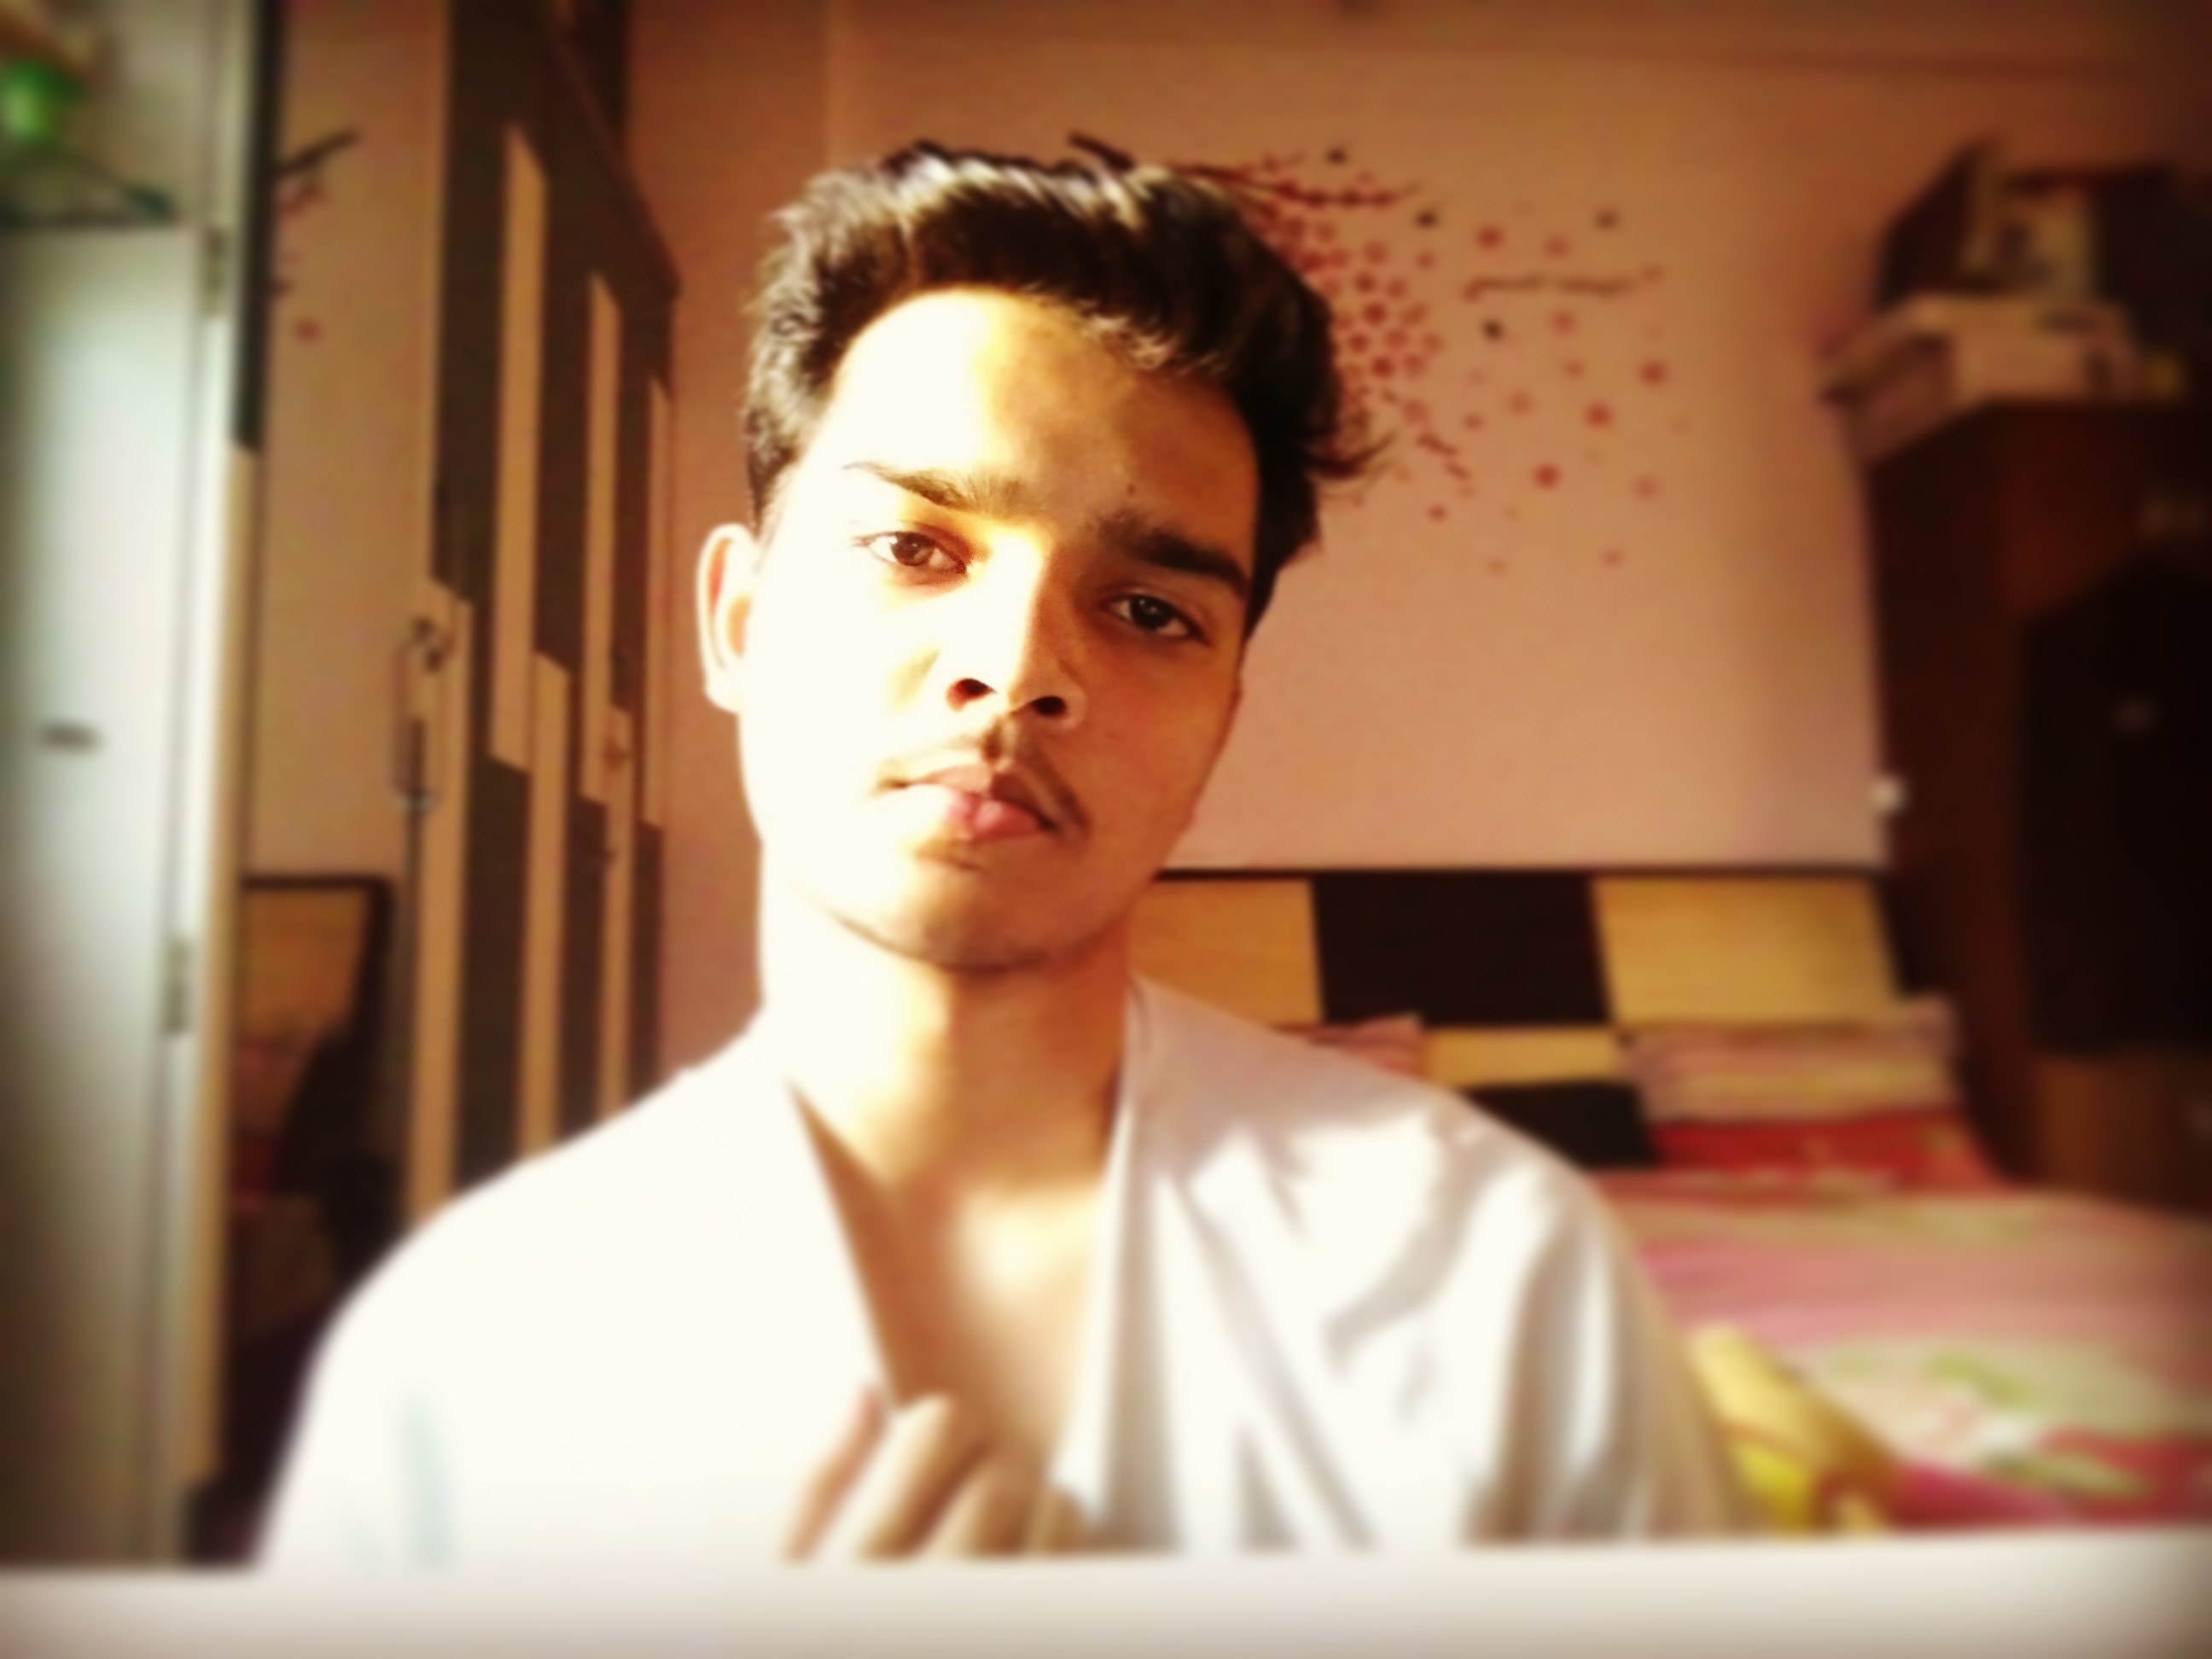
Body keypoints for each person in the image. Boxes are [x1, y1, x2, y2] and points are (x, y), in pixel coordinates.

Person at [261, 143, 1747, 1570]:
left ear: (1221, 720)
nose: (1018, 668)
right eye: (915, 549)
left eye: (1150, 611)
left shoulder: (1492, 1275)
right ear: (737, 622)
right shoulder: (466, 1354)